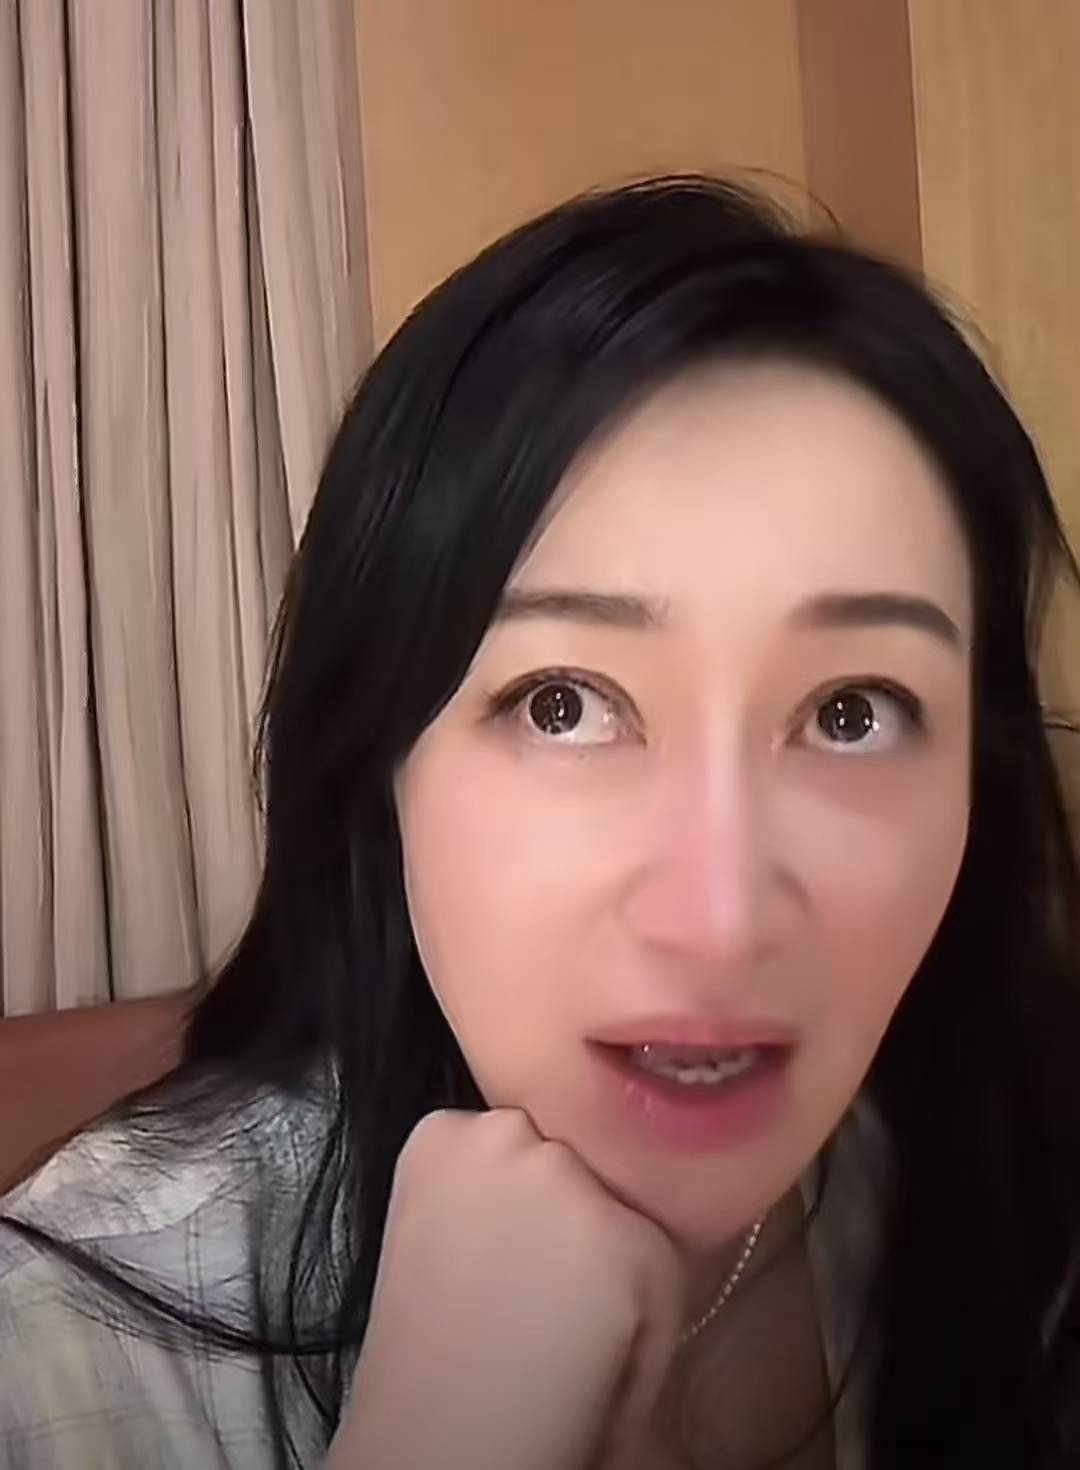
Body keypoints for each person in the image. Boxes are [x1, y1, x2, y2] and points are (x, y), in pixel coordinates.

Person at [1, 174, 1079, 1470]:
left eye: (852, 711)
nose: (720, 919)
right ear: (378, 758)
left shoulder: (1022, 1201)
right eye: (562, 704)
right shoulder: (69, 1354)